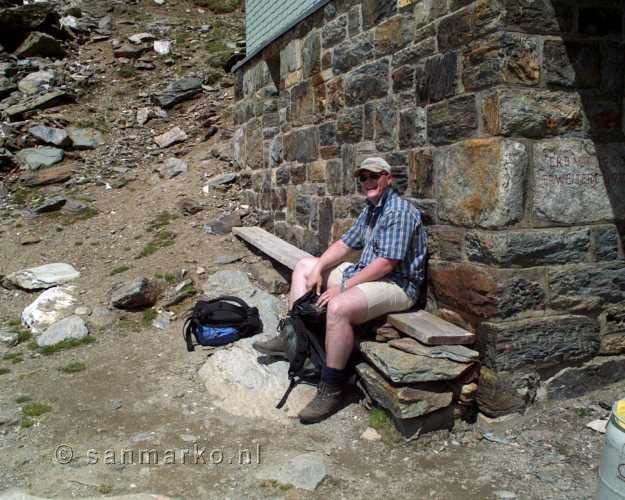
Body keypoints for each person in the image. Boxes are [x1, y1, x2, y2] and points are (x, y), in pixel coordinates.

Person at [253, 157, 428, 424]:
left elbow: (386, 264)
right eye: (363, 177)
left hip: (398, 284)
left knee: (338, 307)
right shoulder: (372, 209)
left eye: (374, 176)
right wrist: (319, 267)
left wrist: (344, 287)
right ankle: (292, 334)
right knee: (303, 266)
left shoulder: (398, 212)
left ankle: (331, 386)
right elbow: (345, 244)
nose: (368, 182)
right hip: (368, 274)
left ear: (388, 178)